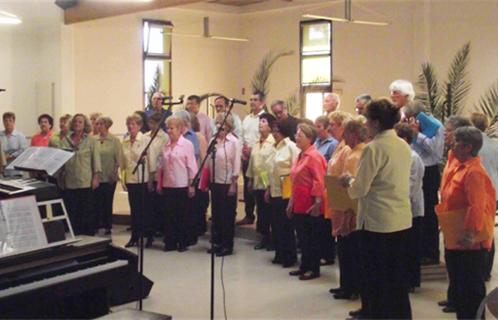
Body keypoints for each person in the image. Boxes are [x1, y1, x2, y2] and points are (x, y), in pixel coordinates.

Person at [344, 98, 412, 319]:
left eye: (366, 120)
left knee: (375, 277)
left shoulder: (374, 148)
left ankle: (376, 314)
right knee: (397, 277)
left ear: (374, 122)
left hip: (378, 221)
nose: (364, 125)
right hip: (400, 218)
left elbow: (359, 190)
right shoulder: (402, 144)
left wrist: (348, 182)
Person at [439, 126, 495, 319]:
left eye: (455, 142)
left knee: (470, 291)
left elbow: (477, 205)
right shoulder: (457, 165)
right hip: (455, 236)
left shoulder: (473, 172)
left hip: (470, 243)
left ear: (467, 147)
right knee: (460, 289)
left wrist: (470, 232)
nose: (451, 144)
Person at [438, 115, 472, 313]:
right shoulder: (452, 155)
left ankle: (458, 300)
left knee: (461, 265)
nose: (445, 133)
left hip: (460, 217)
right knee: (451, 259)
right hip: (449, 214)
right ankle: (453, 297)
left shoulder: (469, 164)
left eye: (449, 130)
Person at [404, 100, 445, 265]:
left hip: (429, 171)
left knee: (429, 212)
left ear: (418, 117)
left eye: (410, 118)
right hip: (414, 168)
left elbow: (435, 151)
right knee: (417, 212)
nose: (409, 121)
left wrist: (417, 135)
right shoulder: (413, 126)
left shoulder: (436, 126)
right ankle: (418, 251)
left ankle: (431, 252)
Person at [287, 122, 327, 281]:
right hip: (299, 199)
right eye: (296, 134)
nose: (296, 137)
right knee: (302, 237)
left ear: (310, 138)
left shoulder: (314, 156)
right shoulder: (300, 155)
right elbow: (295, 180)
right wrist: (291, 202)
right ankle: (304, 265)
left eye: (300, 135)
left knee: (312, 238)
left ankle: (313, 268)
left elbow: (319, 181)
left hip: (310, 201)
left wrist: (317, 203)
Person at [333, 120, 367, 302]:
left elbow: (351, 190)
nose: (342, 136)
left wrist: (346, 218)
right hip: (351, 210)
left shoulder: (356, 155)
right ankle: (346, 286)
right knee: (346, 252)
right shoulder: (354, 152)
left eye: (345, 133)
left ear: (353, 134)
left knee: (350, 252)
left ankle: (351, 287)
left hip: (351, 211)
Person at [156, 116, 198, 252]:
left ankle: (182, 242)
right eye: (167, 128)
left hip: (181, 184)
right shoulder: (166, 145)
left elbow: (191, 165)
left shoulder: (186, 144)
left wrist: (191, 184)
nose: (169, 131)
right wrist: (159, 184)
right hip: (168, 184)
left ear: (180, 129)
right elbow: (161, 166)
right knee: (169, 215)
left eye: (172, 128)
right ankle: (170, 242)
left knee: (181, 215)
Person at [59, 114, 101, 236]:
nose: (77, 124)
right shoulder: (65, 140)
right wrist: (60, 177)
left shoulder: (91, 140)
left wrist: (96, 177)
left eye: (80, 122)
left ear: (85, 125)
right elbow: (61, 159)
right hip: (70, 180)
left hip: (85, 180)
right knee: (72, 210)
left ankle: (88, 235)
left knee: (86, 210)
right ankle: (75, 234)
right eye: (76, 122)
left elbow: (96, 160)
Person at [395, 122, 425, 291]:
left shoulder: (413, 158)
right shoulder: (398, 156)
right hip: (399, 209)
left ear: (405, 140)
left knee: (411, 246)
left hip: (411, 209)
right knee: (402, 247)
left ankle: (411, 281)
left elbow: (411, 186)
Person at [205, 113, 240, 256]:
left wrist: (233, 183)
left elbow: (236, 163)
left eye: (223, 123)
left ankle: (227, 245)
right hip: (215, 182)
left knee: (227, 216)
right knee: (217, 215)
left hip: (228, 183)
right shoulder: (213, 140)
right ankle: (217, 243)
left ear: (229, 125)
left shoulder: (233, 141)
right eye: (218, 123)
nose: (220, 126)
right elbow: (208, 161)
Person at [266, 119, 299, 267]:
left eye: (276, 131)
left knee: (286, 225)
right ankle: (279, 253)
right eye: (272, 131)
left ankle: (289, 256)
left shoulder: (291, 146)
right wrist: (267, 188)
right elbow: (268, 169)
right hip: (273, 189)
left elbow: (295, 169)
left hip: (286, 190)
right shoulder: (273, 147)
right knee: (276, 224)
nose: (274, 134)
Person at [323, 111, 353, 271]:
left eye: (333, 125)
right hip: (335, 198)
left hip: (342, 199)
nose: (329, 129)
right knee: (340, 241)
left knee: (345, 241)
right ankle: (344, 284)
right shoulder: (338, 146)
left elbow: (344, 176)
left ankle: (349, 285)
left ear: (342, 126)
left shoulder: (347, 148)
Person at [470, 112, 498, 281]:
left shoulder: (472, 145)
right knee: (488, 231)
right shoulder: (494, 145)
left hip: (478, 190)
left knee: (478, 228)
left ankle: (477, 267)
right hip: (494, 191)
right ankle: (486, 268)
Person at [120, 114, 152, 248]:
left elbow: (150, 160)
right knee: (134, 210)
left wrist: (150, 179)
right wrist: (123, 179)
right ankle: (134, 236)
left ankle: (148, 236)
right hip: (131, 179)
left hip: (143, 179)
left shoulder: (145, 140)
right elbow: (123, 162)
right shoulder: (125, 141)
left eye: (133, 124)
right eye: (129, 124)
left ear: (139, 126)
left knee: (145, 209)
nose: (130, 126)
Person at [246, 113, 276, 250]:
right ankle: (264, 237)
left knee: (269, 210)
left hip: (268, 179)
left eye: (263, 121)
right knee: (261, 210)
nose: (260, 124)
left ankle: (272, 239)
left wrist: (269, 183)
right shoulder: (257, 142)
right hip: (257, 178)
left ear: (270, 125)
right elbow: (252, 162)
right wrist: (250, 179)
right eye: (259, 121)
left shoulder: (273, 141)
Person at [237, 91, 266, 226]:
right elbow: (242, 136)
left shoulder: (265, 118)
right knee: (248, 187)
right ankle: (249, 215)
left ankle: (263, 219)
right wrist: (244, 150)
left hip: (260, 159)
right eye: (251, 99)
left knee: (260, 188)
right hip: (247, 157)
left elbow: (264, 138)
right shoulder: (247, 118)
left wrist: (252, 150)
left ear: (262, 103)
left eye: (255, 100)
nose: (252, 102)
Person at [94, 116, 121, 235]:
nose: (98, 126)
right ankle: (97, 223)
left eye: (101, 124)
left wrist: (114, 172)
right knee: (96, 201)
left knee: (107, 201)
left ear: (107, 126)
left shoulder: (114, 140)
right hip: (96, 176)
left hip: (109, 175)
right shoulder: (93, 139)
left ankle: (107, 225)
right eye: (97, 124)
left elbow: (118, 159)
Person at [146, 112, 170, 240]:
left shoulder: (164, 137)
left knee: (159, 203)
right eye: (150, 122)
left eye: (153, 123)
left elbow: (162, 156)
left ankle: (160, 228)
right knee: (150, 203)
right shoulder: (145, 136)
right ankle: (151, 228)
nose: (151, 125)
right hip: (147, 173)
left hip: (158, 173)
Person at [191, 112, 209, 237]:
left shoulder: (199, 137)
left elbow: (204, 159)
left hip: (199, 174)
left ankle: (200, 227)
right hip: (190, 175)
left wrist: (204, 178)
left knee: (199, 203)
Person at [0, 112, 28, 177]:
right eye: (5, 121)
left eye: (10, 120)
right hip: (3, 170)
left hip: (15, 170)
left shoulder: (20, 135)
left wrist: (10, 156)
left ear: (14, 122)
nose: (8, 123)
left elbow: (23, 150)